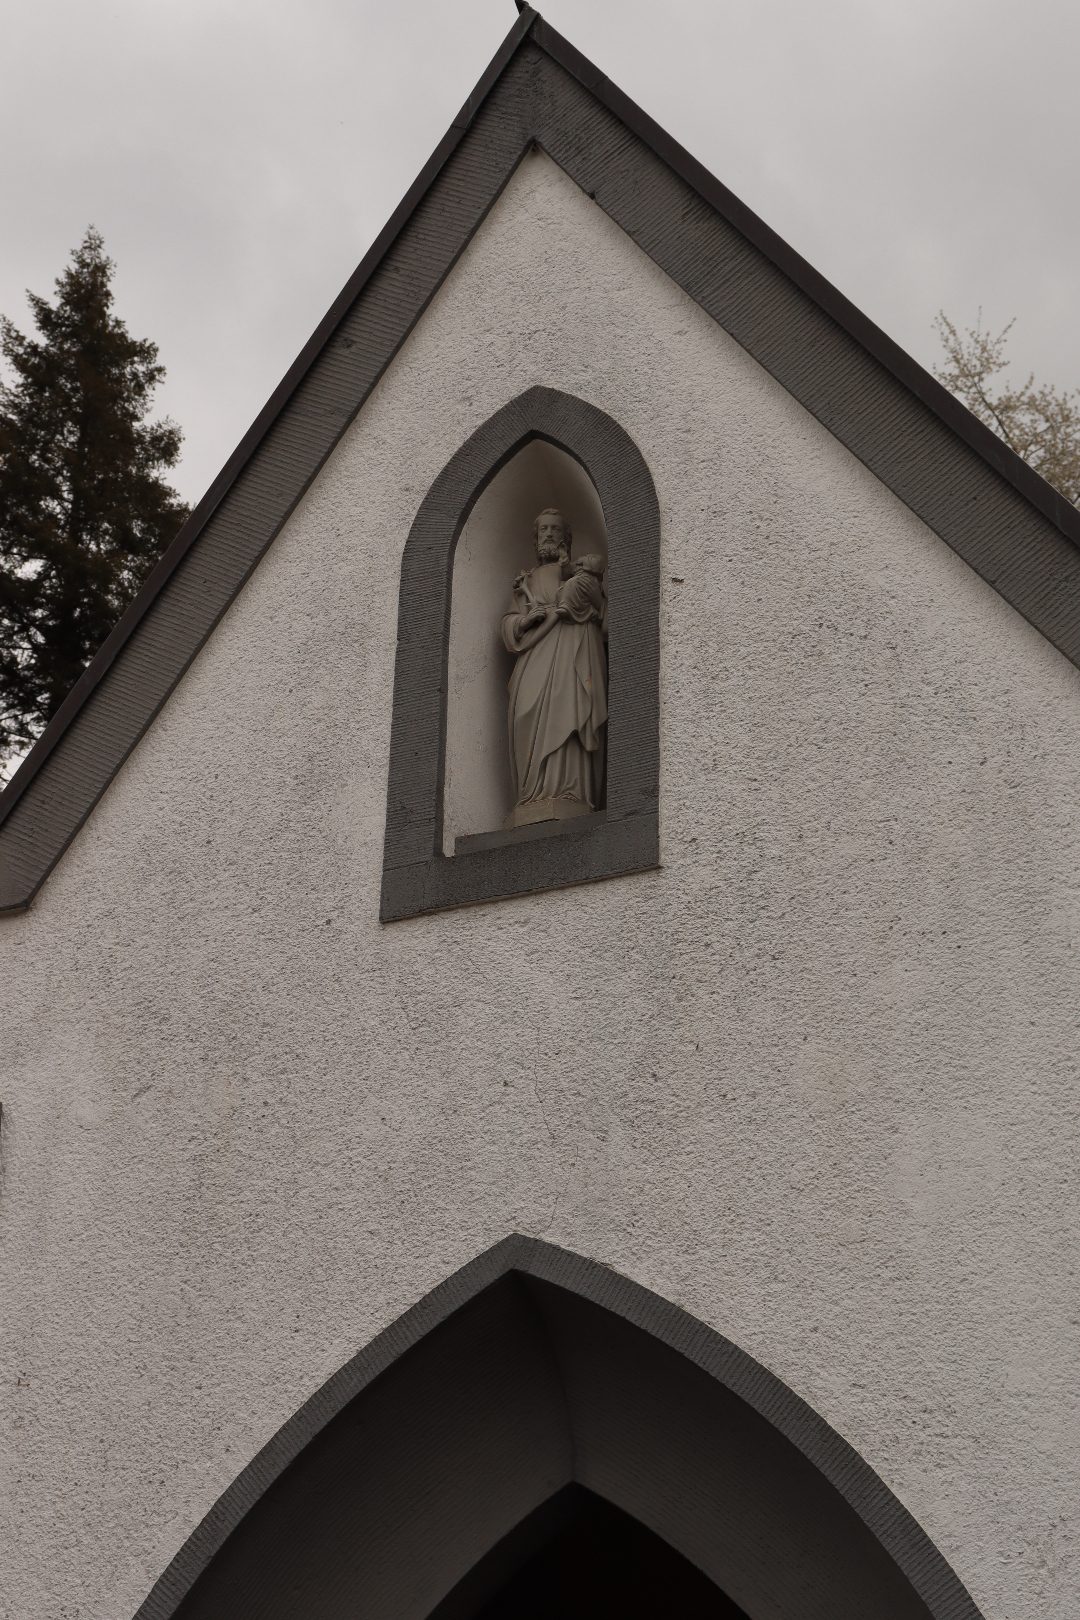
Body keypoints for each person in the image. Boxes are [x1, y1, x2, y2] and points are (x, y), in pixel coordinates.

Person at [500, 509, 607, 828]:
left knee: (570, 711)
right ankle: (532, 795)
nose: (548, 534)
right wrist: (524, 620)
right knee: (527, 715)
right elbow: (507, 625)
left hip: (574, 652)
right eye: (543, 529)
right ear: (535, 538)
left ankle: (571, 793)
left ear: (566, 538)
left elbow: (599, 611)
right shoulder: (527, 582)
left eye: (555, 529)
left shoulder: (575, 575)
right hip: (535, 658)